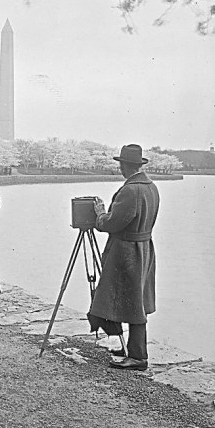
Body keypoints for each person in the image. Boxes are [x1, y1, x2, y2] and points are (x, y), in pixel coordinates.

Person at [87, 144, 160, 371]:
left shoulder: (131, 190)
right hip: (144, 248)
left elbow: (113, 223)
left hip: (127, 252)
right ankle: (126, 347)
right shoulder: (151, 187)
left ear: (125, 166)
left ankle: (138, 356)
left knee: (126, 301)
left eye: (121, 165)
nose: (120, 169)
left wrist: (100, 214)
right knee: (134, 300)